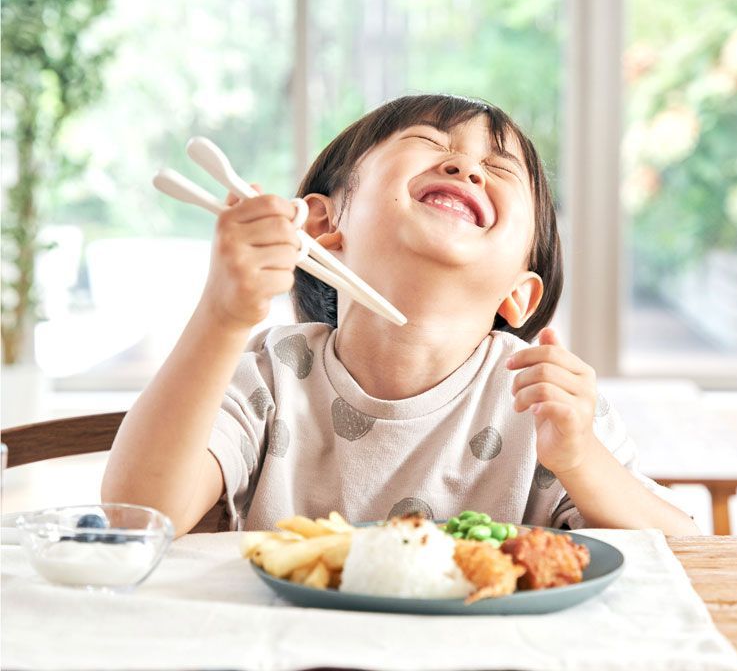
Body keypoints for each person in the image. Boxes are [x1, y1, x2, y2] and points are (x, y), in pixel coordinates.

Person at [102, 94, 699, 537]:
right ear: (324, 224)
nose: (466, 168)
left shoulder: (541, 404)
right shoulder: (270, 374)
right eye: (433, 145)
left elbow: (685, 554)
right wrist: (221, 316)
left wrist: (579, 457)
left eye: (498, 170)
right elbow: (139, 515)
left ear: (519, 293)